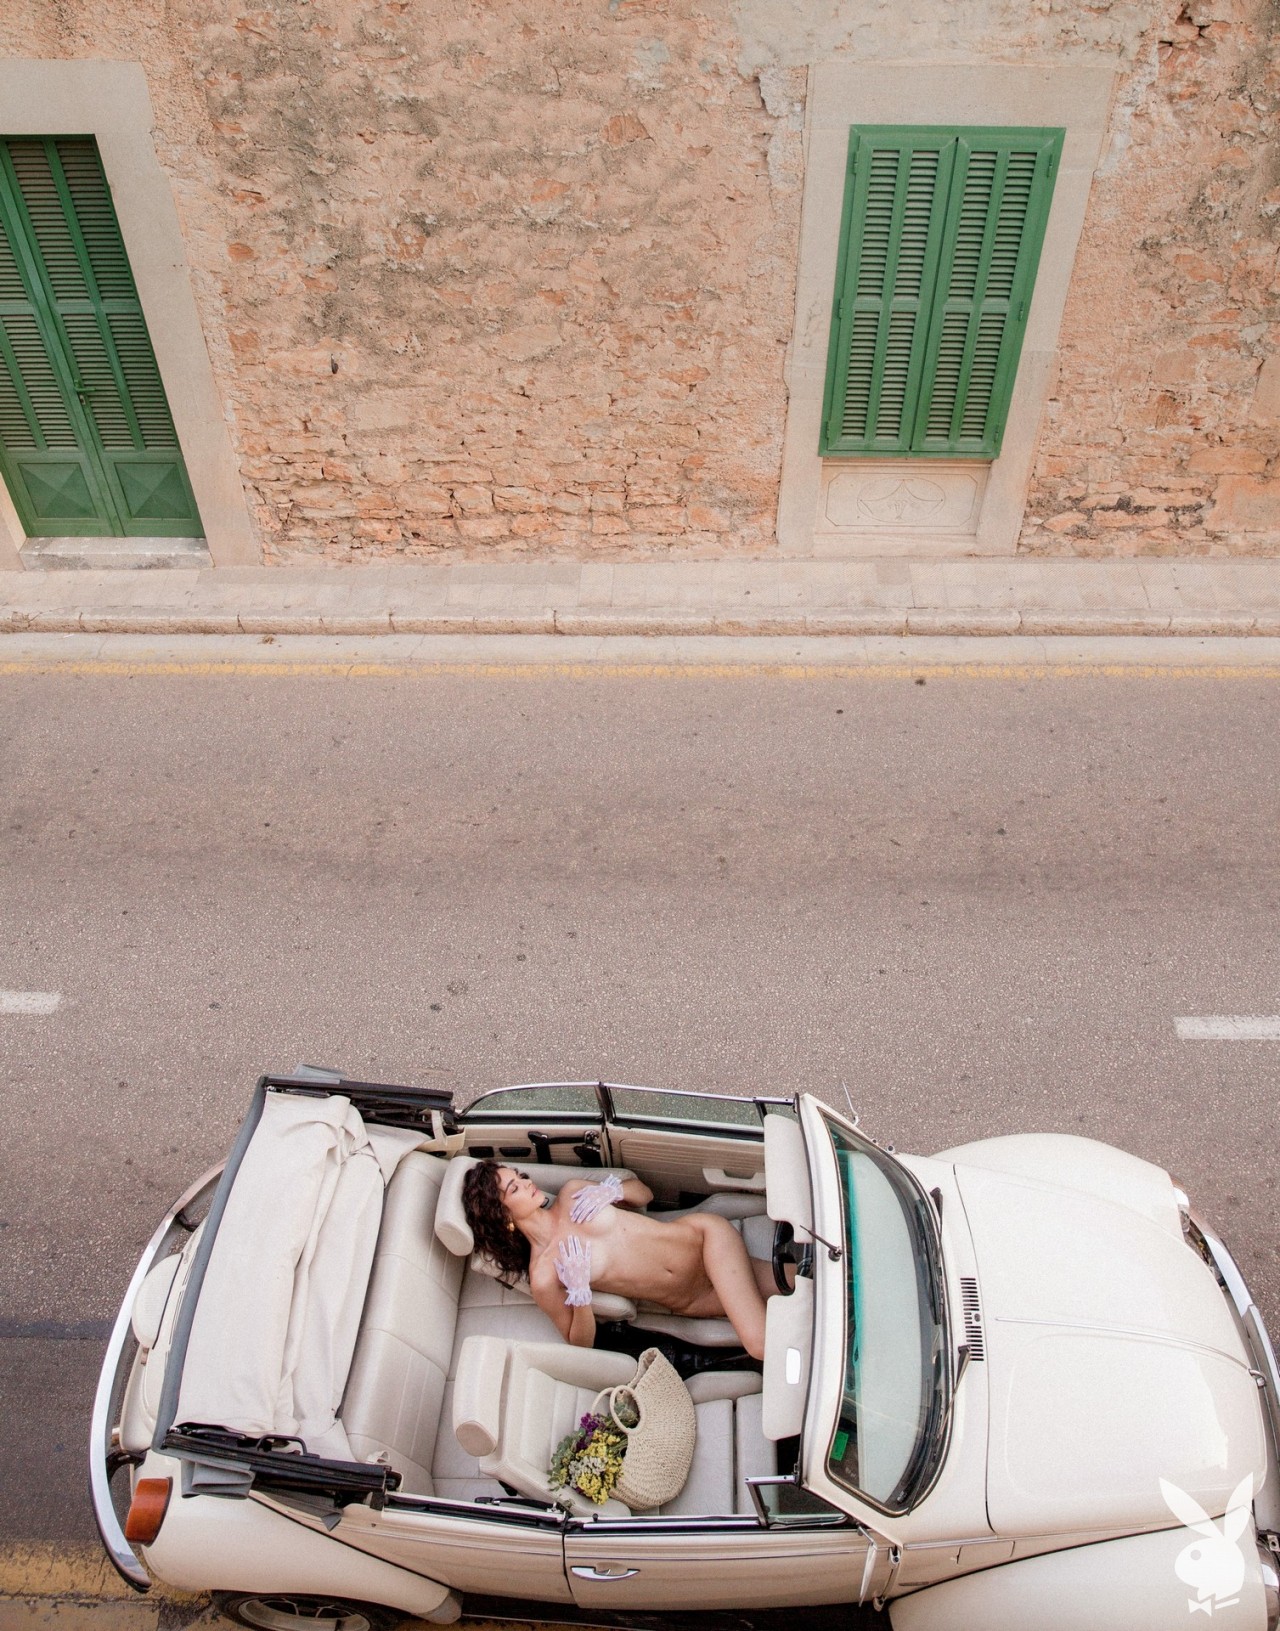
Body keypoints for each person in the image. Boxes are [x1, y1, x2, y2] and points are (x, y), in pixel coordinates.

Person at [461, 1160, 780, 1360]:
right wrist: (579, 1293)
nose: (528, 1182)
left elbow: (644, 1194)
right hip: (693, 1297)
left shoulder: (572, 1194)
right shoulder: (543, 1275)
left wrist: (611, 1191)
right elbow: (580, 1343)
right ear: (503, 1216)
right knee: (792, 1284)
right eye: (515, 1188)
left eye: (520, 1176)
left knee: (760, 1345)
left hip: (704, 1241)